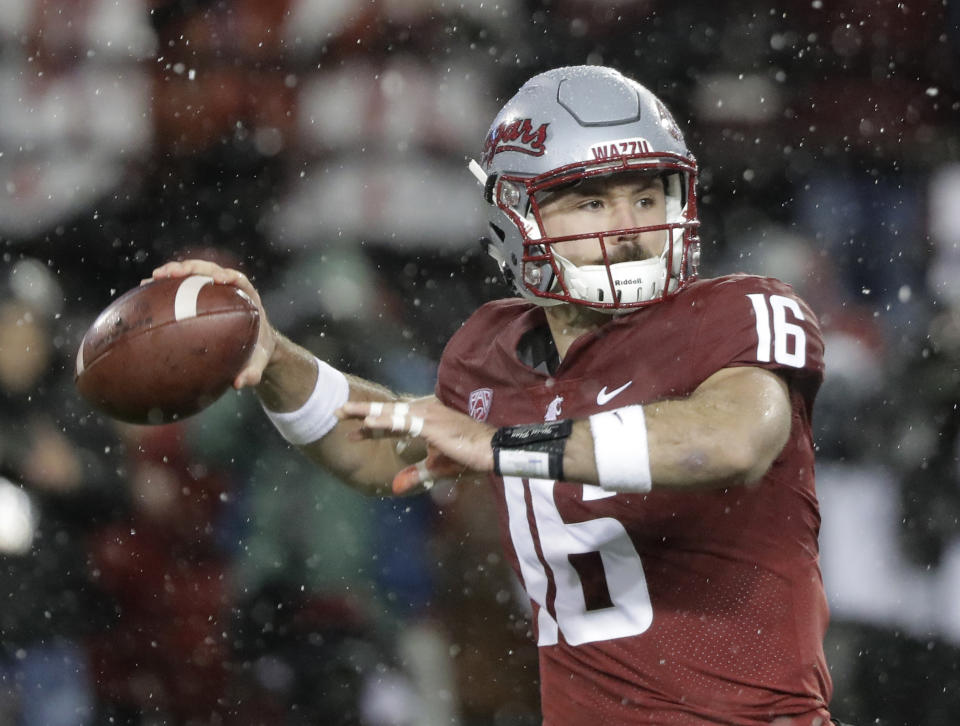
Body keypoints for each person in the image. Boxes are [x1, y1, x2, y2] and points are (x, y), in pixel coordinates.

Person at [153, 66, 835, 725]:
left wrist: (502, 443)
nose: (629, 227)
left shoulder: (737, 312)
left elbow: (734, 440)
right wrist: (275, 356)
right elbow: (379, 451)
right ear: (517, 213)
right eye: (594, 199)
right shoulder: (491, 354)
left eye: (649, 195)